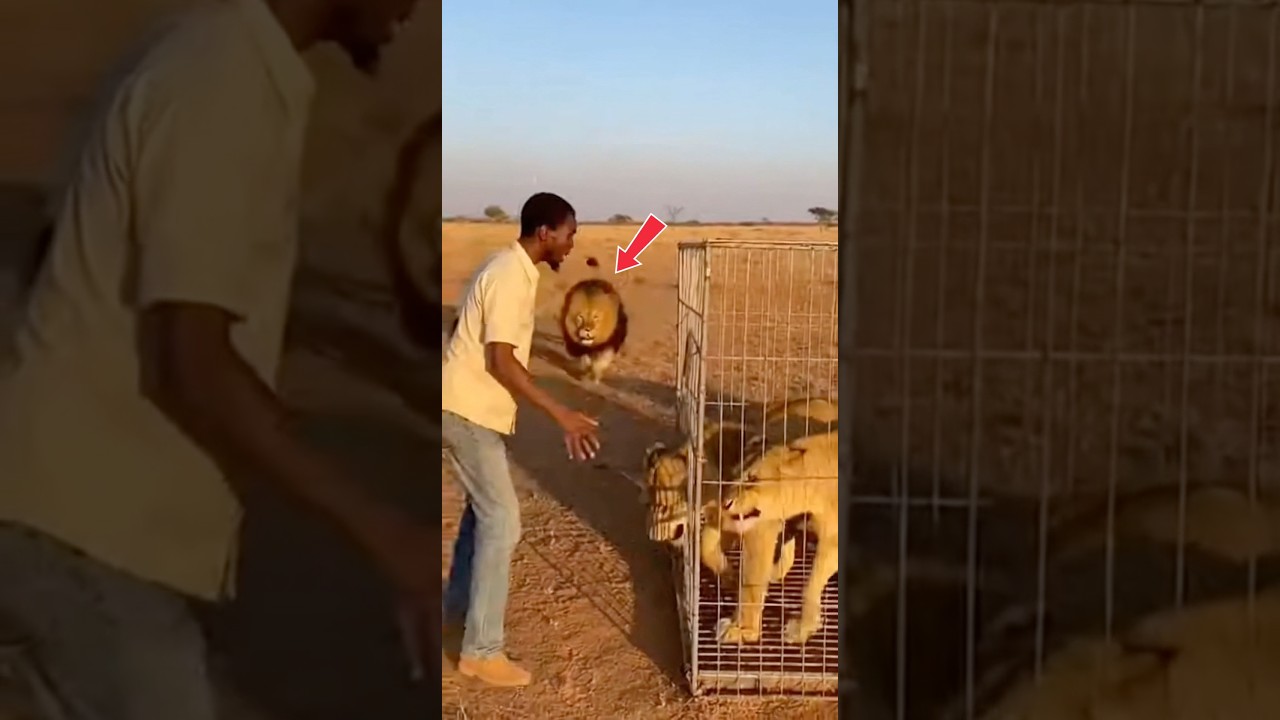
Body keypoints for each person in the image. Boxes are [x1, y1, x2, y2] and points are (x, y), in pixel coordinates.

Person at [0, 1, 439, 719]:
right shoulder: (224, 80)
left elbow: (60, 254)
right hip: (87, 538)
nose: (413, 9)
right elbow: (196, 367)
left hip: (76, 527)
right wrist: (386, 535)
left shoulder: (202, 50)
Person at [441, 191, 601, 687]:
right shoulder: (510, 276)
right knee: (503, 520)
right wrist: (562, 415)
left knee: (481, 514)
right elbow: (501, 360)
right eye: (569, 235)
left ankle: (456, 612)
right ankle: (482, 651)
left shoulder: (504, 267)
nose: (572, 245)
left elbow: (460, 326)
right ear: (545, 233)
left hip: (469, 407)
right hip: (465, 411)